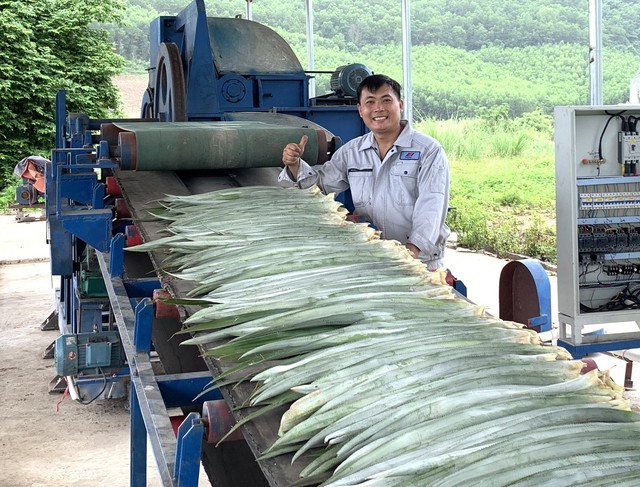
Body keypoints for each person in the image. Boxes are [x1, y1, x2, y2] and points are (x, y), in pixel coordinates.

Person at [278, 74, 450, 271]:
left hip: (419, 263)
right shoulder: (352, 152)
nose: (378, 108)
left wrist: (410, 253)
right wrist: (294, 165)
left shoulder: (428, 151)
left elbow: (431, 206)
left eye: (386, 100)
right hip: (372, 257)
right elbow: (319, 188)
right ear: (360, 110)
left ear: (400, 104)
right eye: (370, 102)